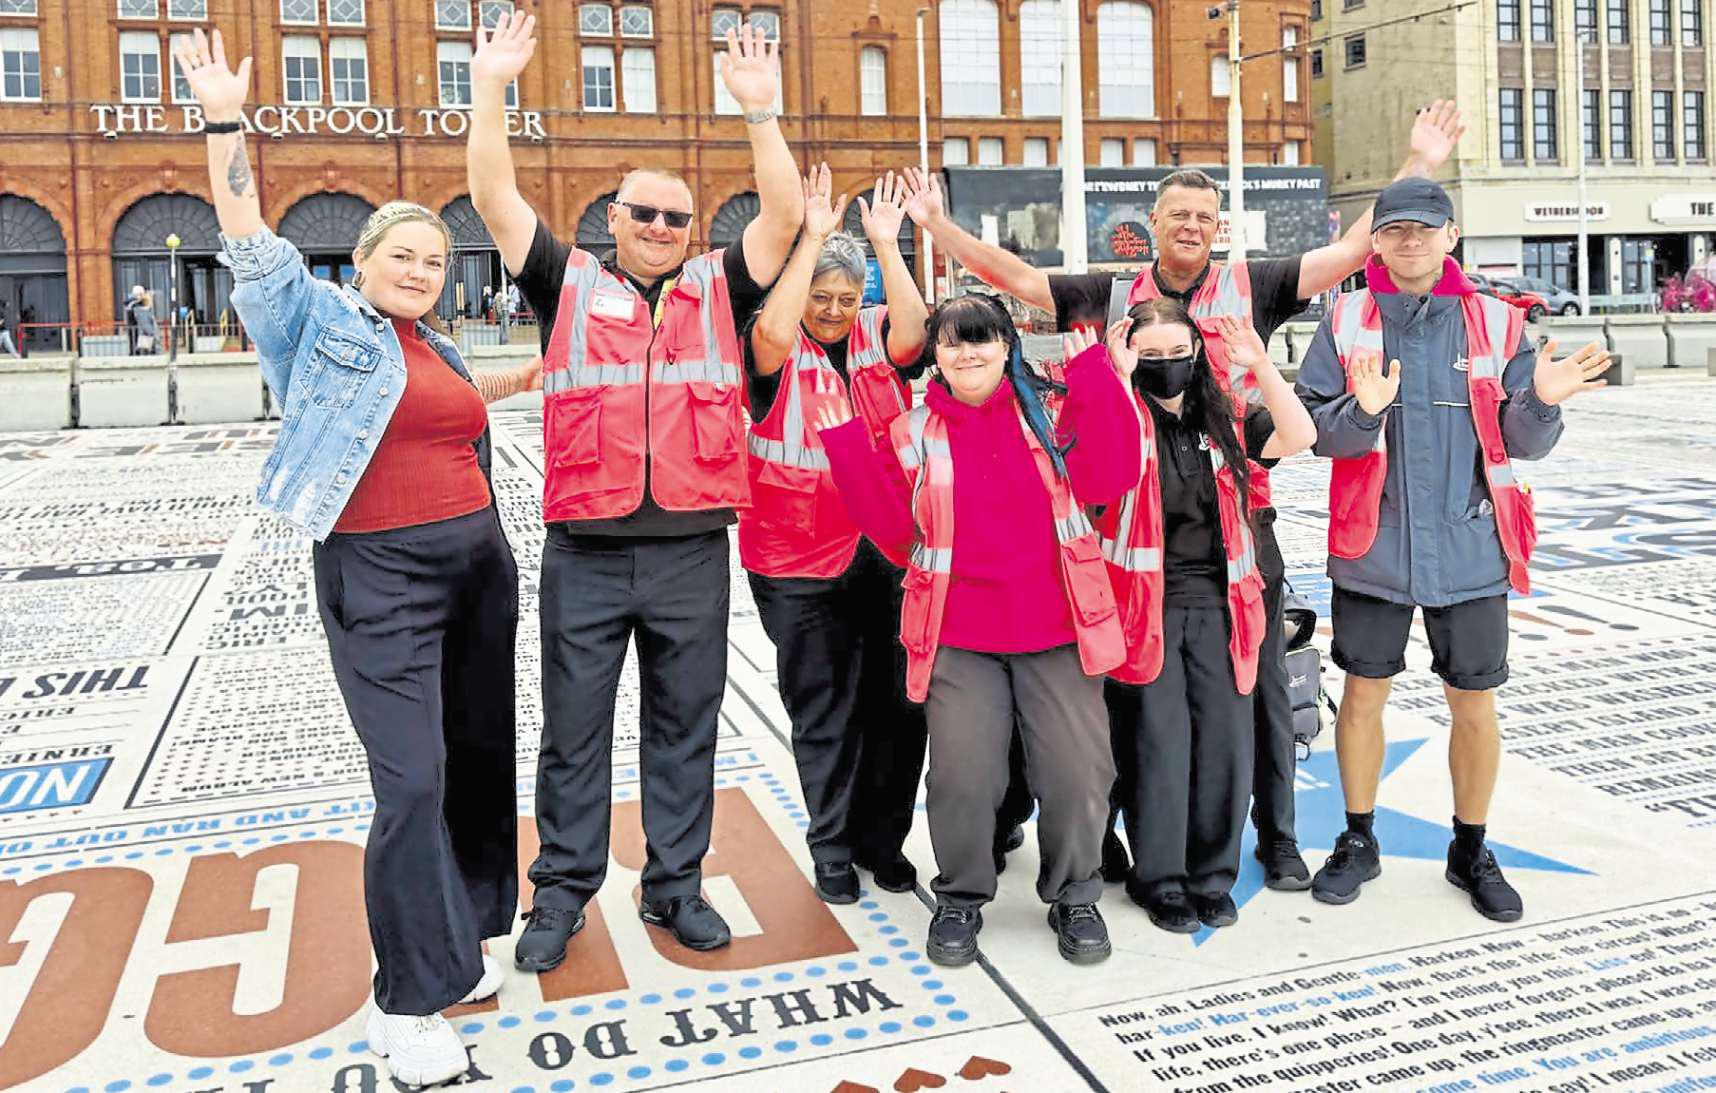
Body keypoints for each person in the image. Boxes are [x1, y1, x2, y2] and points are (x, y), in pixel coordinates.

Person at [898, 101, 1467, 891]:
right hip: (1130, 525)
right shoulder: (1111, 291)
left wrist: (1418, 164)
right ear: (1153, 223)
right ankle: (1123, 837)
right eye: (1179, 214)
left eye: (1205, 215)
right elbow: (1017, 280)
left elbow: (1347, 251)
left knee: (1260, 682)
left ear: (1219, 226)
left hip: (1235, 517)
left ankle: (1276, 839)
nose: (1192, 226)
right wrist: (938, 225)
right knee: (1130, 694)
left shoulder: (1252, 284)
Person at [173, 27, 542, 1088]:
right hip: (378, 575)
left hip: (480, 563)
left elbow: (454, 413)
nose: (421, 270)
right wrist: (221, 119)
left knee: (476, 757)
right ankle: (409, 1002)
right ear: (362, 260)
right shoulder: (315, 321)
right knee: (410, 778)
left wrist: (539, 380)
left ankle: (465, 934)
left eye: (434, 259)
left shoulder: (443, 345)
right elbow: (245, 228)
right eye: (402, 255)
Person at [465, 12, 803, 966]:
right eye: (642, 214)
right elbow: (492, 194)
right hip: (589, 553)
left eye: (675, 218)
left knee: (682, 726)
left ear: (692, 231)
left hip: (691, 551)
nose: (658, 229)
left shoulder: (717, 289)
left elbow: (780, 214)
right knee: (574, 733)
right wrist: (489, 85)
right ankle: (560, 894)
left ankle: (675, 886)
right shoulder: (562, 282)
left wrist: (760, 113)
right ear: (612, 219)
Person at [1294, 178, 1610, 923]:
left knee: (1474, 702)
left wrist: (1543, 399)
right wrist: (1360, 412)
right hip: (1373, 543)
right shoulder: (1345, 318)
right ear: (1376, 241)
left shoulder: (1499, 325)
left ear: (1451, 236)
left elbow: (1524, 446)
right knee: (1363, 694)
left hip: (1471, 547)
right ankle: (1359, 837)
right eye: (1395, 229)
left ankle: (1471, 846)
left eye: (1424, 229)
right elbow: (1313, 429)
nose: (1410, 241)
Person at [818, 294, 1141, 967]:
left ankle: (1075, 892)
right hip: (961, 634)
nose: (967, 353)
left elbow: (1111, 473)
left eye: (982, 338)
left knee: (1079, 772)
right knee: (963, 776)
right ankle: (961, 895)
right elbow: (893, 529)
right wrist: (846, 447)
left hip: (1057, 629)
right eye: (952, 341)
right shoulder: (913, 431)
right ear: (934, 353)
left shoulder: (1049, 412)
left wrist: (1095, 375)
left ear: (1007, 345)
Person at [740, 166, 930, 904]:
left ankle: (884, 841)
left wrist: (886, 246)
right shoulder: (775, 350)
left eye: (846, 300)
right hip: (795, 562)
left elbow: (915, 331)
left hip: (885, 553)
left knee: (899, 705)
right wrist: (813, 238)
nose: (833, 310)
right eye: (822, 296)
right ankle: (832, 845)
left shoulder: (877, 336)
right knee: (824, 709)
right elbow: (775, 331)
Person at [1100, 302, 1316, 933]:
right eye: (1151, 355)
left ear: (1197, 354)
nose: (1165, 366)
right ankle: (1160, 880)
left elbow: (1299, 436)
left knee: (1225, 741)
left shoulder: (1223, 420)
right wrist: (1115, 379)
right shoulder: (1124, 416)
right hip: (1147, 607)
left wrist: (1262, 369)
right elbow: (1092, 464)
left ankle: (1212, 878)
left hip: (1225, 607)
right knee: (1160, 745)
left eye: (1177, 352)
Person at [127, 285, 160, 355]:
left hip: (137, 337)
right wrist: (152, 335)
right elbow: (146, 326)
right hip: (144, 338)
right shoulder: (141, 308)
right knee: (147, 355)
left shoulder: (131, 306)